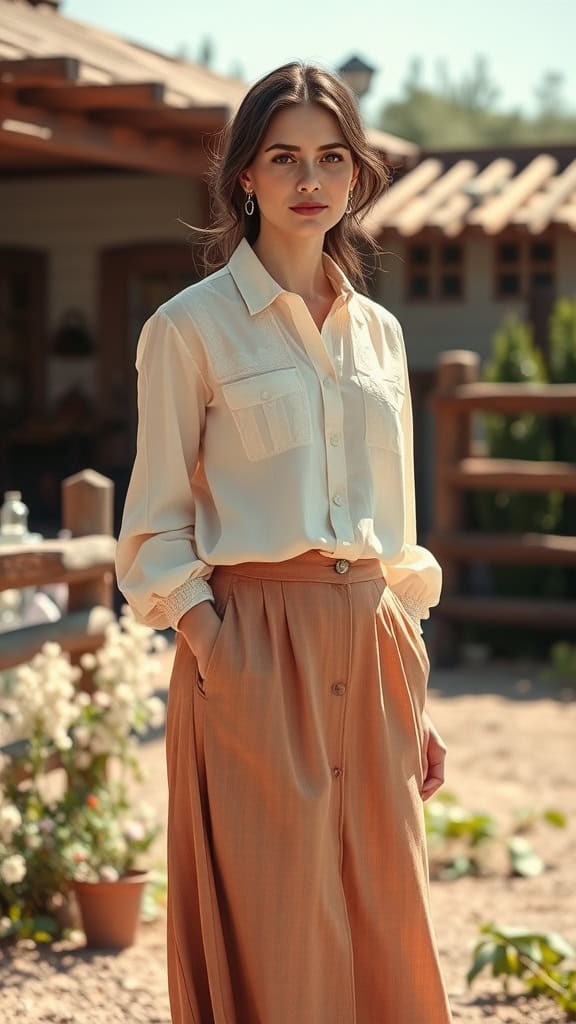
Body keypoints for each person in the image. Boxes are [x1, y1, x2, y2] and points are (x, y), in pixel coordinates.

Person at [115, 60, 453, 1024]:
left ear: (356, 177)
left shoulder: (381, 337)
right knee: (276, 916)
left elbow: (396, 528)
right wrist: (217, 647)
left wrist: (413, 688)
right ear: (245, 179)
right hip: (254, 639)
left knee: (386, 909)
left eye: (332, 157)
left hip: (374, 638)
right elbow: (153, 522)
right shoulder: (188, 330)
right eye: (285, 156)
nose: (311, 178)